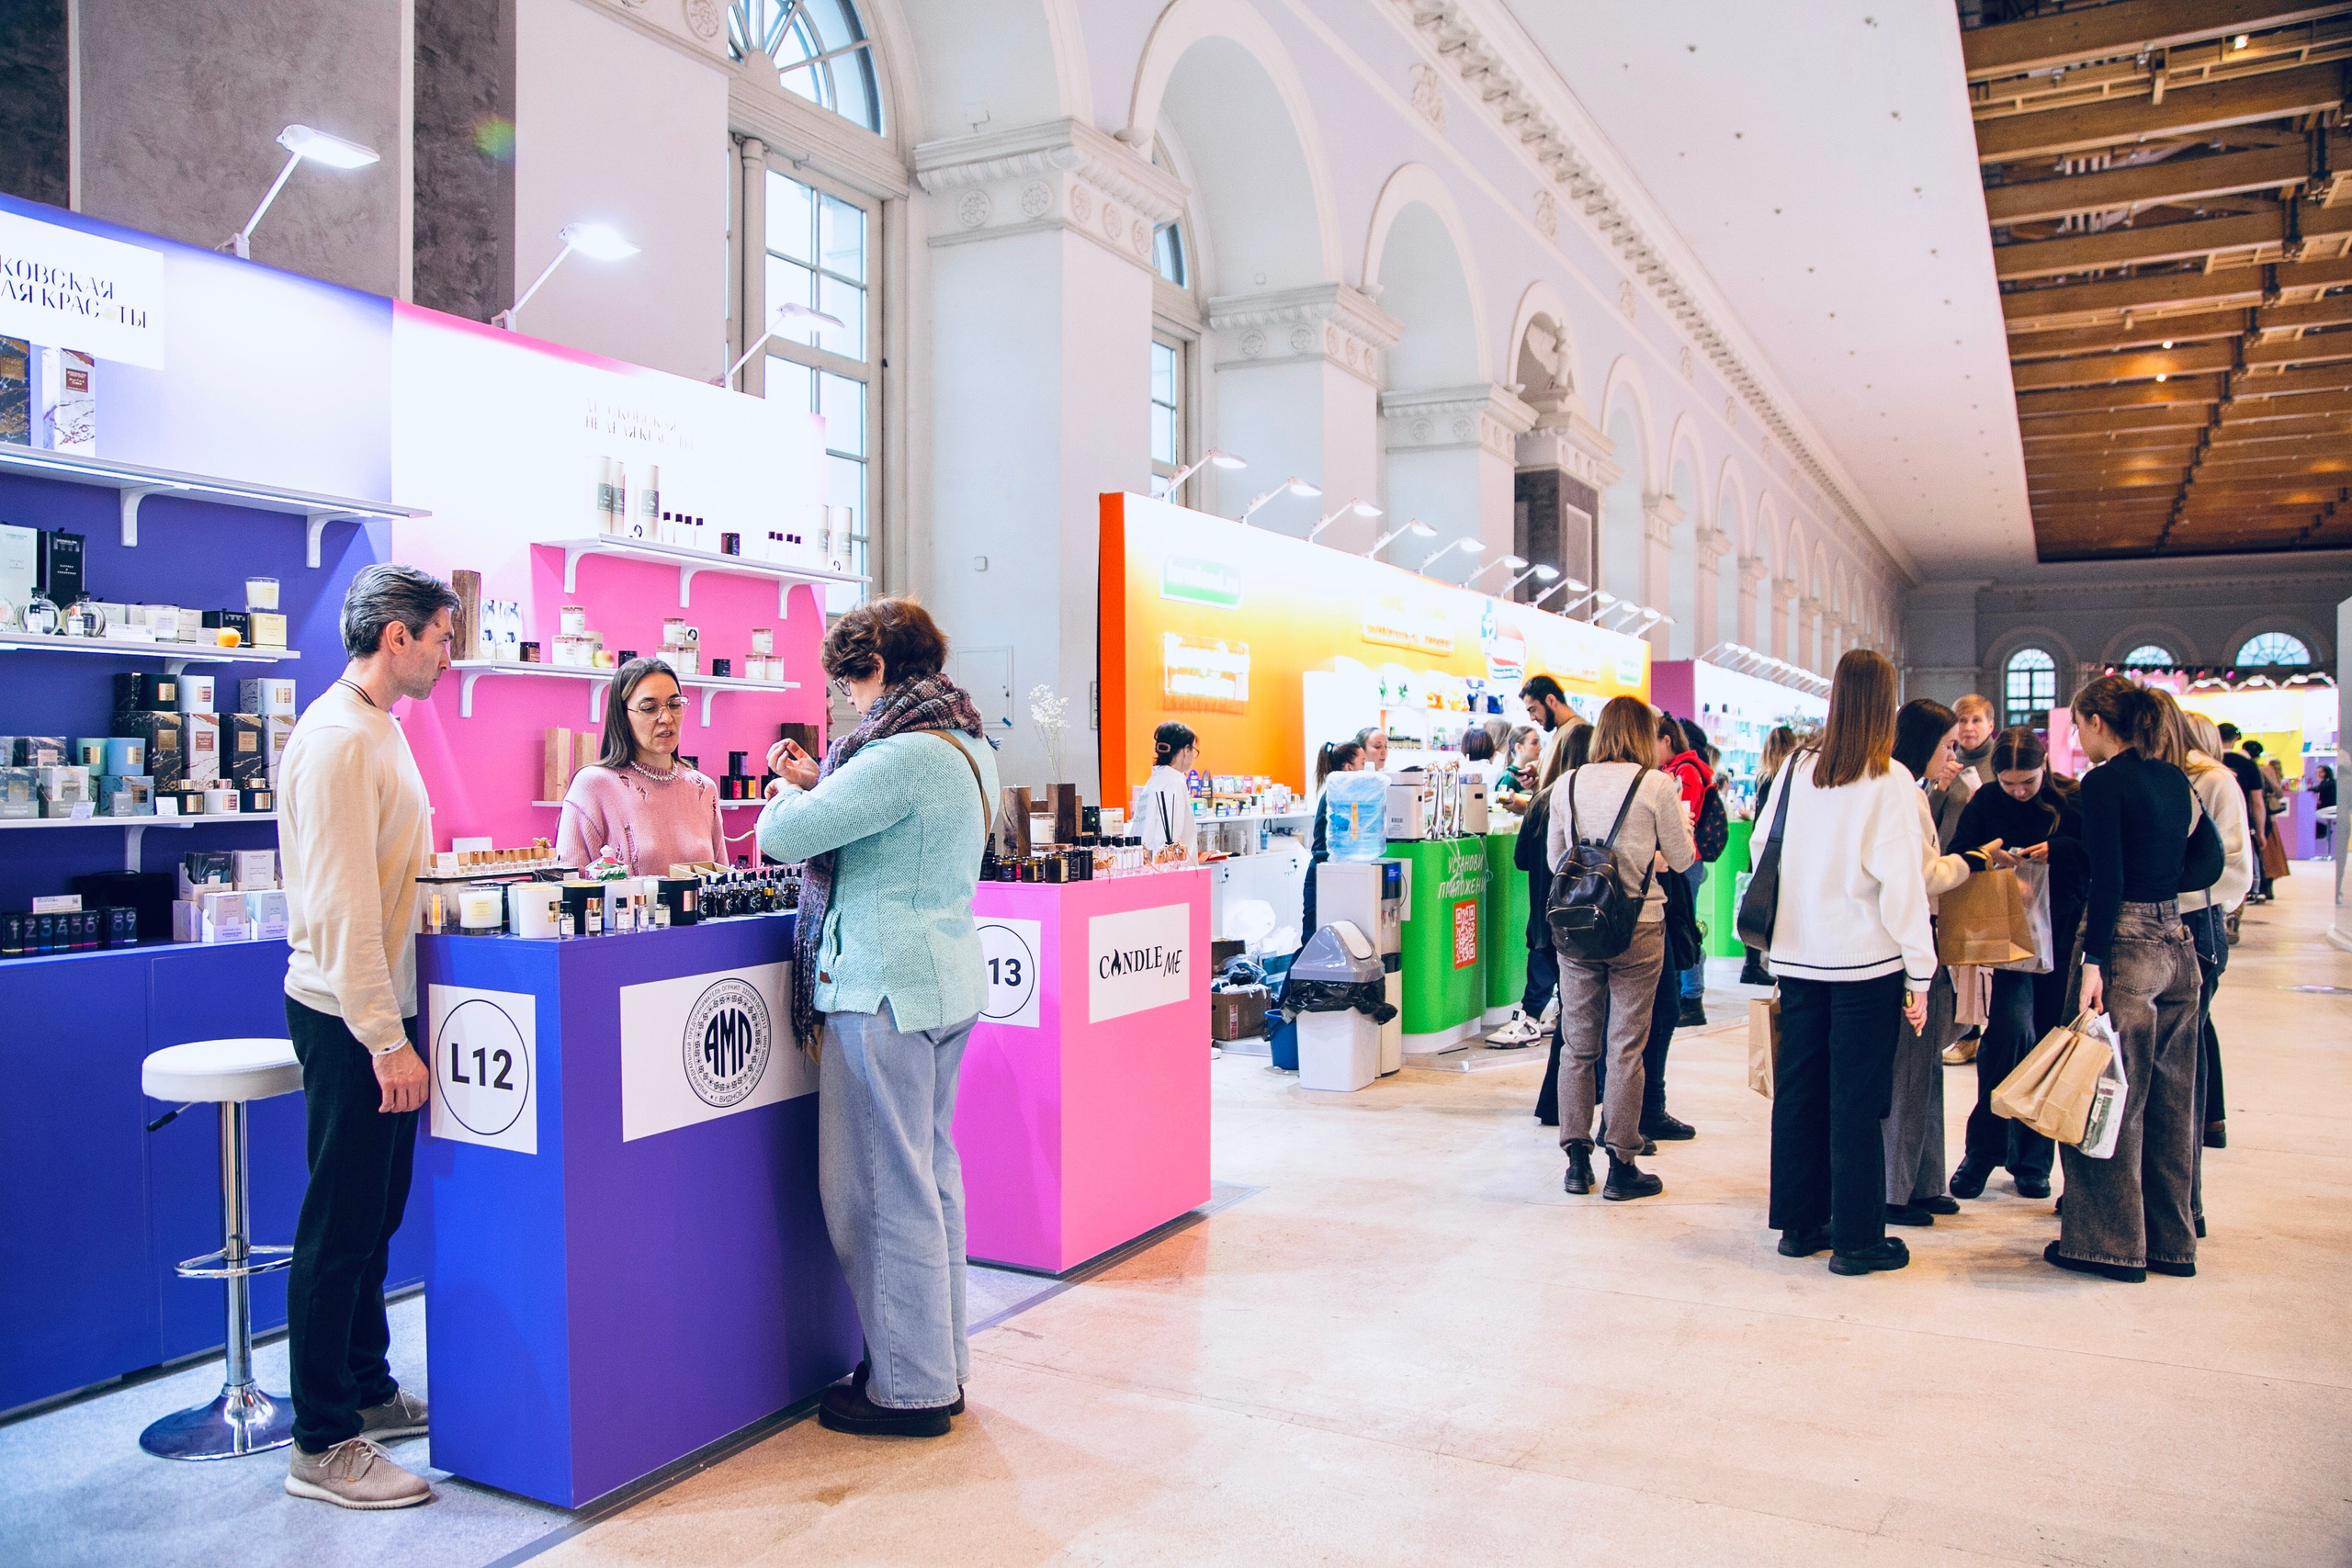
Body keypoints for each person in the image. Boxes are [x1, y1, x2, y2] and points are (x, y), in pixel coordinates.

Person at [756, 596, 1001, 1433]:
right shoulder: (966, 744)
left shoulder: (900, 755)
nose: (847, 701)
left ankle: (907, 1388)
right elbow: (870, 815)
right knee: (929, 1182)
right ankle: (937, 1363)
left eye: (849, 682)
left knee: (874, 1191)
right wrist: (821, 782)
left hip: (880, 988)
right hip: (943, 983)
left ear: (878, 668)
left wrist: (777, 795)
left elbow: (787, 837)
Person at [277, 563, 459, 1509]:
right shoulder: (340, 740)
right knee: (340, 1227)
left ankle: (365, 1386)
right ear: (397, 635)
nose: (445, 653)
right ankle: (320, 1440)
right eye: (438, 636)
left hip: (379, 1004)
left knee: (376, 1216)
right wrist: (385, 1039)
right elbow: (345, 907)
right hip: (350, 1014)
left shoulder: (381, 730)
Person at [1761, 649, 1935, 1276]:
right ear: (1885, 704)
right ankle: (1859, 1238)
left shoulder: (1797, 769)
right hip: (1866, 962)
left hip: (1799, 957)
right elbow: (1902, 884)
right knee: (1858, 1099)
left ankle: (1800, 1224)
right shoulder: (1890, 780)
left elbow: (1763, 849)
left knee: (1800, 1090)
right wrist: (1921, 969)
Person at [2047, 676, 2222, 1283]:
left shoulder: (2103, 784)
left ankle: (2108, 1243)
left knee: (2109, 1094)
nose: (2079, 736)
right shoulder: (2175, 779)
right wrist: (2165, 881)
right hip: (2179, 943)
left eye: (2079, 724)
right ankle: (2171, 1242)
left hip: (2124, 942)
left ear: (2098, 720)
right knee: (2174, 1103)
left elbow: (2108, 879)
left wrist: (2094, 961)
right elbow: (2213, 861)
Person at [1546, 696, 1695, 1201]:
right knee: (1626, 1044)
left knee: (1577, 1043)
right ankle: (1622, 1162)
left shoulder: (1567, 784)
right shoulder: (1656, 784)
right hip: (1639, 927)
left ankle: (1574, 1160)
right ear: (1642, 733)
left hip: (1578, 929)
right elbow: (1680, 858)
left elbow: (1554, 860)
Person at [1947, 728, 2087, 1203]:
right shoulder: (1986, 800)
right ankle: (1981, 1152)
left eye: (2027, 781)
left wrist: (2060, 853)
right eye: (2010, 783)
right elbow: (1959, 856)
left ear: (2044, 766)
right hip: (2007, 939)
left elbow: (2099, 860)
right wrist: (1995, 861)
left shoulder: (2071, 799)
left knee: (2050, 1045)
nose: (2020, 791)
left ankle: (2033, 1160)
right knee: (2005, 1038)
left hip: (2064, 937)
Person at [1882, 698, 1976, 1228]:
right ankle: (1899, 1188)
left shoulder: (1914, 790)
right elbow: (1923, 876)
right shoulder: (1903, 792)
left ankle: (1923, 1180)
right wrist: (1969, 862)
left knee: (1925, 1069)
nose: (1953, 756)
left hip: (1920, 942)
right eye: (1946, 746)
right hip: (1911, 944)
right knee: (1912, 1070)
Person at [555, 657, 729, 875]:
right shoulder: (593, 785)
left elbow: (722, 884)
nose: (666, 717)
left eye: (674, 705)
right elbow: (570, 889)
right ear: (622, 716)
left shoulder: (704, 788)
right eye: (649, 708)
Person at [2175, 705, 2252, 1174]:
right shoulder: (2168, 778)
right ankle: (2208, 1123)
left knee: (2188, 1036)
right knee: (2190, 1034)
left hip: (2197, 919)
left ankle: (2197, 1138)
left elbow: (2232, 864)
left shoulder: (2216, 781)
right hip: (2167, 917)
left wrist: (2164, 882)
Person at [1533, 720, 1593, 1122]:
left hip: (1548, 916)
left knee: (1572, 1021)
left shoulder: (1544, 799)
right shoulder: (1584, 800)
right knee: (1583, 1024)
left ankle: (1557, 1109)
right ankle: (1564, 1109)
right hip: (1582, 918)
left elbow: (1528, 857)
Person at [1658, 714, 1713, 1032]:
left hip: (1685, 861)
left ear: (1666, 740)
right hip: (1682, 859)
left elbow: (1682, 819)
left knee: (1683, 927)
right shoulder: (1676, 769)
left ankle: (1692, 998)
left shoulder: (1686, 770)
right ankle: (1687, 996)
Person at [1737, 725, 1799, 987]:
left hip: (1760, 851)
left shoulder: (1762, 778)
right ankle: (1767, 962)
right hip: (1780, 851)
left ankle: (1752, 961)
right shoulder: (1791, 779)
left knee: (1758, 905)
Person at [1302, 739, 1365, 941]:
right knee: (1313, 941)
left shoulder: (1346, 795)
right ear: (1349, 768)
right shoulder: (1337, 797)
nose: (1366, 769)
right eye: (1362, 764)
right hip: (1324, 874)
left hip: (1331, 873)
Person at [2216, 724, 2268, 902]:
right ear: (2236, 738)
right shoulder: (2248, 765)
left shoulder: (2210, 763)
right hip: (2241, 823)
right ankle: (2236, 908)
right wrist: (2260, 832)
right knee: (2240, 868)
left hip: (2211, 824)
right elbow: (2257, 802)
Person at [1134, 721, 1200, 856]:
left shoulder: (1154, 781)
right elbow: (1170, 839)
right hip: (1170, 869)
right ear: (1186, 751)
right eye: (1193, 750)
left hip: (1147, 864)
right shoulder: (1174, 783)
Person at [1495, 724, 1543, 810]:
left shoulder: (1532, 776)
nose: (1540, 747)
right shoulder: (1508, 778)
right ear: (1519, 747)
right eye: (1534, 743)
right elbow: (1501, 810)